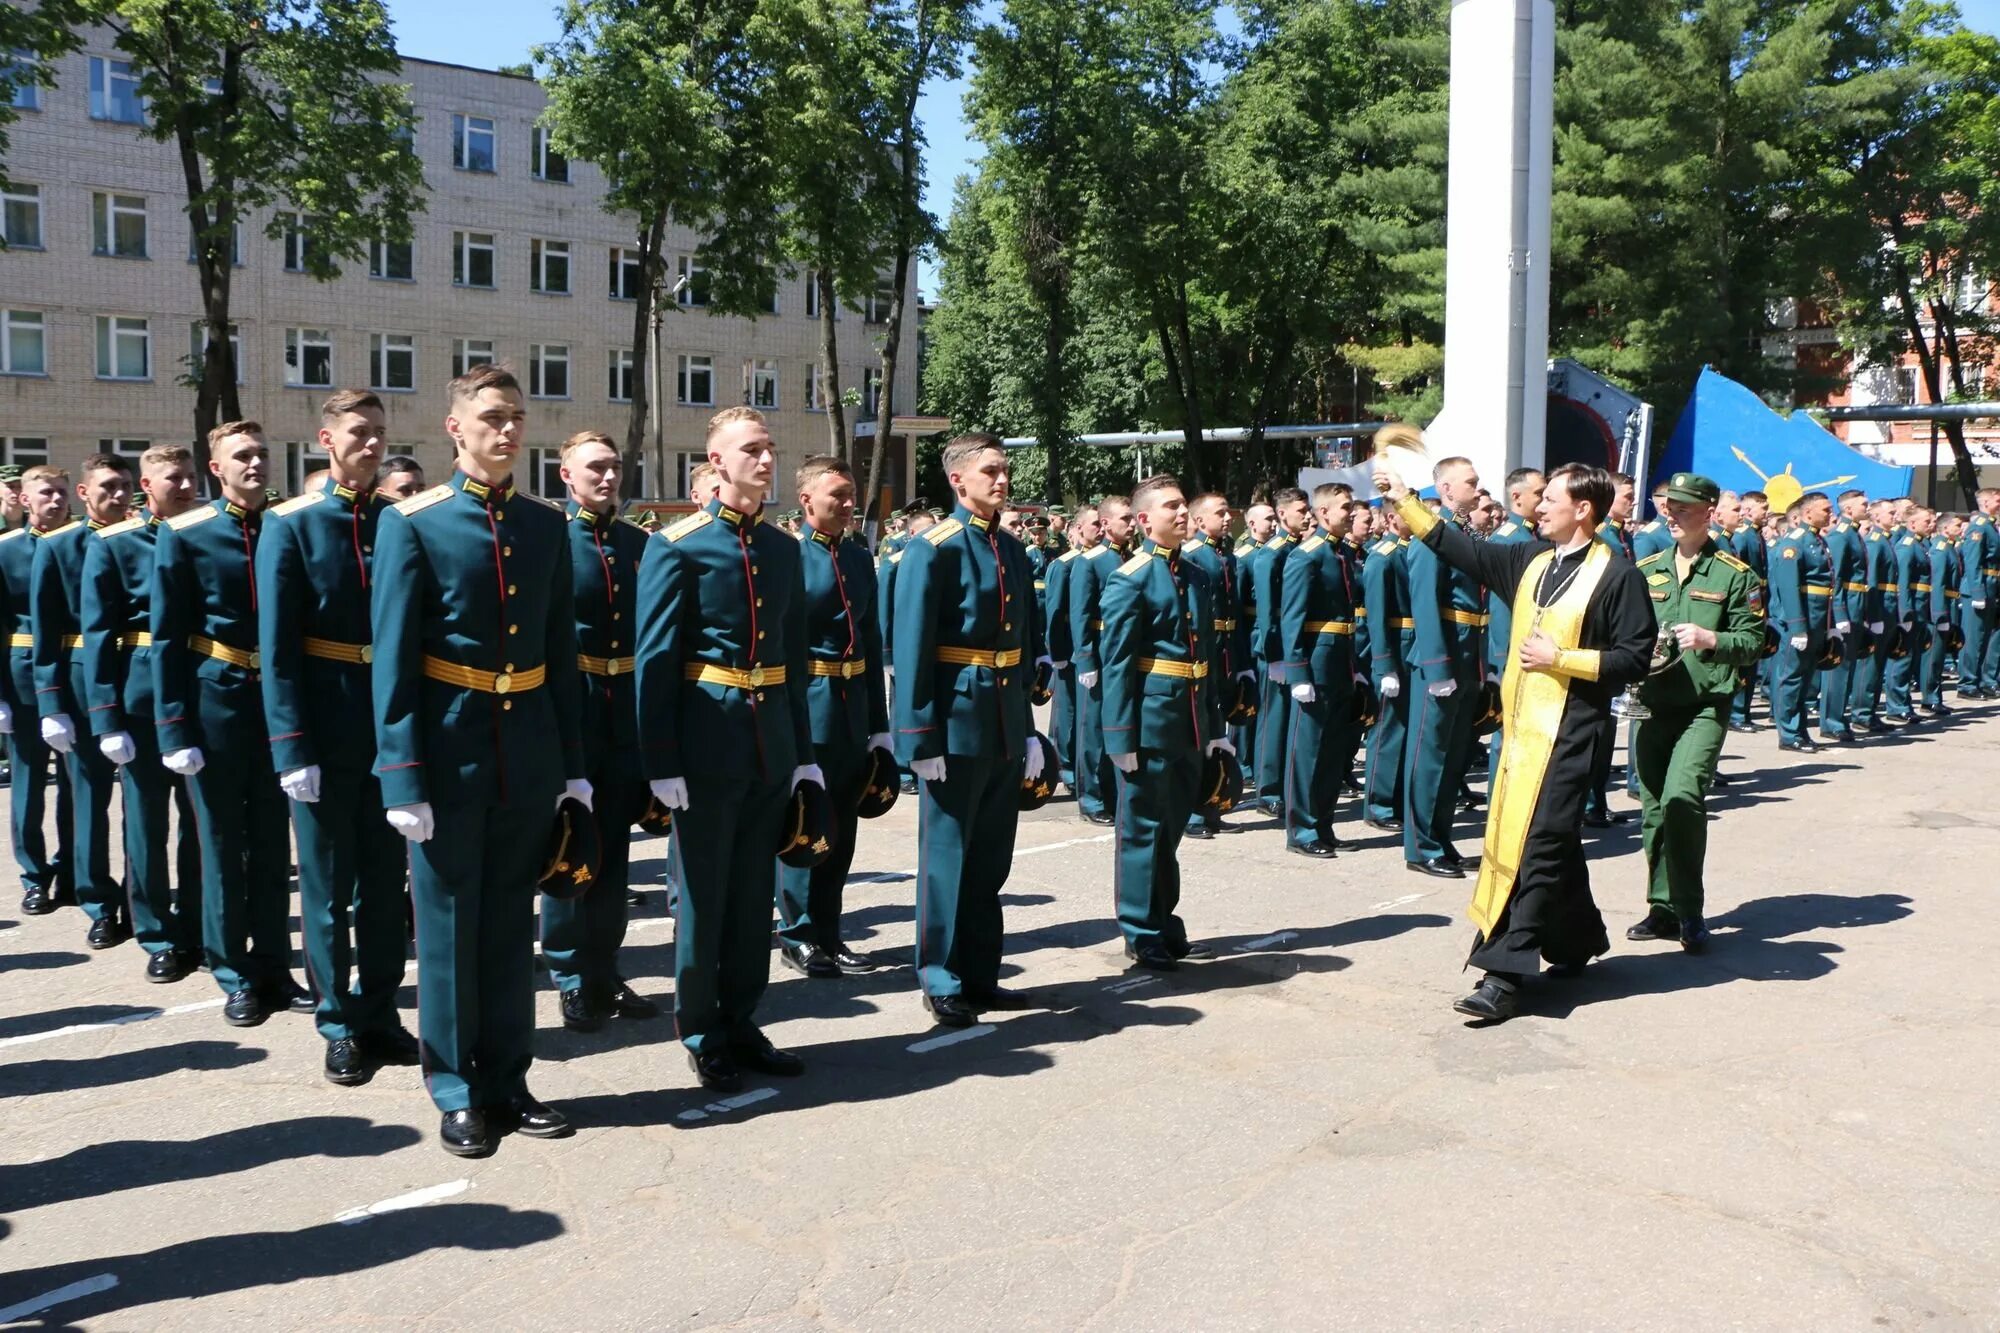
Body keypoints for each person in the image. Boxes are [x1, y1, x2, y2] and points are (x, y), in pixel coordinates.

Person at [371, 365, 587, 1156]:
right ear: (454, 426)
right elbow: (392, 658)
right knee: (450, 931)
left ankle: (508, 1076)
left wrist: (573, 768)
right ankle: (456, 1087)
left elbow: (559, 655)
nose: (509, 431)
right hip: (450, 753)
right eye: (492, 416)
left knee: (506, 929)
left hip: (526, 751)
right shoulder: (415, 522)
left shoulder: (542, 525)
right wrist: (402, 772)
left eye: (518, 418)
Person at [1374, 457, 1654, 1023]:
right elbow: (1463, 550)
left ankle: (1503, 972)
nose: (1540, 505)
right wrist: (1406, 501)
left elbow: (1636, 656)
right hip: (1522, 731)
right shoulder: (1531, 559)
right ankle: (1575, 942)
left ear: (1583, 510)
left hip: (1573, 734)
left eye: (1551, 499)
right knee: (1550, 843)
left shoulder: (1618, 575)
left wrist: (1563, 659)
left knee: (1540, 843)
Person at [638, 405, 818, 1091]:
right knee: (706, 899)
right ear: (717, 463)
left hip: (768, 739)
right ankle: (702, 1029)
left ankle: (743, 1019)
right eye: (751, 449)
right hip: (706, 743)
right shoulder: (678, 544)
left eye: (770, 447)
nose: (766, 460)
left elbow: (793, 659)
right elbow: (655, 658)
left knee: (751, 897)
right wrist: (661, 761)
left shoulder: (781, 549)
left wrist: (802, 754)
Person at [257, 391, 420, 1083]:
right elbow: (278, 647)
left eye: (381, 433)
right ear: (327, 438)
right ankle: (338, 1020)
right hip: (323, 726)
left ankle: (381, 1012)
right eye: (360, 432)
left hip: (387, 726)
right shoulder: (290, 525)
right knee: (326, 888)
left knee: (385, 885)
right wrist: (290, 745)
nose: (373, 444)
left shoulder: (398, 521)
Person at [153, 423, 312, 1026]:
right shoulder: (187, 534)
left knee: (274, 843)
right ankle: (233, 971)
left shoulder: (286, 525)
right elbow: (167, 639)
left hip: (274, 705)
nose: (256, 464)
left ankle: (274, 964)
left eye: (263, 454)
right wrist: (173, 729)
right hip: (214, 700)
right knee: (220, 844)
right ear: (215, 469)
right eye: (242, 456)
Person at [892, 432, 1046, 1028]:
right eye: (990, 471)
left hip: (1003, 723)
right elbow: (913, 647)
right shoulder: (935, 548)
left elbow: (1020, 643)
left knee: (990, 861)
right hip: (954, 725)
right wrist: (919, 739)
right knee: (947, 858)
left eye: (1004, 470)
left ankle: (982, 974)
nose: (1002, 480)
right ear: (958, 480)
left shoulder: (1008, 547)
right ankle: (939, 976)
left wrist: (1029, 730)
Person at [533, 430, 661, 1031]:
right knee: (569, 844)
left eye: (613, 468)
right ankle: (567, 972)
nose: (607, 478)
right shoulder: (551, 539)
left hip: (625, 711)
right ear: (566, 475)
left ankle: (605, 967)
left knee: (613, 851)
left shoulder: (639, 544)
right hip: (574, 706)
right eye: (594, 469)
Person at [1622, 474, 1764, 955]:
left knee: (1683, 799)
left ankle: (1689, 911)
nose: (1672, 515)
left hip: (1703, 706)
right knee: (1654, 810)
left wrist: (1712, 640)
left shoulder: (1734, 574)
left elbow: (1754, 642)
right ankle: (1661, 907)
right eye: (1668, 507)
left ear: (1708, 512)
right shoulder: (1645, 569)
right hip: (1652, 704)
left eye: (1683, 508)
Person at [82, 445, 204, 980]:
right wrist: (106, 716)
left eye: (190, 477)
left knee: (202, 821)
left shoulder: (209, 533)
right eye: (172, 479)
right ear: (146, 488)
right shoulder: (116, 544)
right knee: (146, 821)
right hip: (142, 696)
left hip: (202, 692)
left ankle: (202, 924)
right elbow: (98, 633)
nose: (184, 487)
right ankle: (156, 931)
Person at [1100, 474, 1227, 969]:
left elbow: (1208, 656)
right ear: (1144, 520)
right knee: (1142, 831)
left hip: (1189, 719)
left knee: (1170, 828)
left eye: (1183, 506)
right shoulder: (1129, 577)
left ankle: (1164, 920)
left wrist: (1215, 728)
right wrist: (1119, 734)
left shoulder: (1196, 574)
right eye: (1170, 507)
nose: (1181, 513)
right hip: (1150, 721)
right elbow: (1116, 663)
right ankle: (1140, 928)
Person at [777, 454, 890, 979]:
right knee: (806, 822)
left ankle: (829, 929)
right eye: (837, 496)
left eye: (850, 495)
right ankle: (797, 933)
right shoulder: (789, 557)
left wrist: (880, 726)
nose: (848, 504)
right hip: (811, 704)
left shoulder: (858, 558)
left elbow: (870, 639)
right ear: (806, 501)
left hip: (851, 709)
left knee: (841, 829)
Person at [31, 453, 134, 949]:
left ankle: (144, 896)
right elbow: (45, 631)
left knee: (144, 799)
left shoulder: (147, 539)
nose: (119, 495)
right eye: (108, 487)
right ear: (84, 494)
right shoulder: (59, 547)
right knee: (90, 797)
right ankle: (98, 900)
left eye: (126, 486)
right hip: (80, 684)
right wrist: (50, 702)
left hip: (137, 677)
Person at [1402, 457, 1488, 878]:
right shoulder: (1430, 537)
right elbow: (1424, 604)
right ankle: (1421, 847)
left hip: (1468, 655)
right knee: (1430, 755)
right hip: (1444, 659)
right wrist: (1437, 668)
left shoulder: (1464, 534)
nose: (1478, 486)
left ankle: (1442, 838)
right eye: (1470, 482)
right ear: (1448, 490)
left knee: (1453, 757)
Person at [3, 467, 75, 915]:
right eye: (46, 493)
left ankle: (71, 869)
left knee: (75, 785)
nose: (56, 500)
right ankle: (33, 875)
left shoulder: (80, 545)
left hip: (74, 672)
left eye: (62, 493)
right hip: (22, 678)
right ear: (25, 500)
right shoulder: (6, 551)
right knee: (28, 782)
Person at [1276, 482, 1362, 858]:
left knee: (1332, 751)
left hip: (1341, 661)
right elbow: (1291, 617)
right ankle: (1302, 829)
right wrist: (1297, 672)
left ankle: (1323, 824)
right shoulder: (1306, 556)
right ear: (1323, 512)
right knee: (1308, 751)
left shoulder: (1343, 554)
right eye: (1344, 507)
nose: (1351, 513)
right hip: (1316, 662)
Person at [1178, 492, 1252, 839]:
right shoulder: (1192, 556)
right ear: (1199, 519)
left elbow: (1233, 612)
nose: (1227, 519)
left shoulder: (1226, 556)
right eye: (1219, 513)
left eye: (1228, 513)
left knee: (1218, 733)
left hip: (1225, 650)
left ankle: (1212, 804)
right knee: (1201, 730)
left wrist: (1241, 661)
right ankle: (1193, 812)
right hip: (1205, 651)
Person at [1070, 495, 1135, 825]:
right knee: (1093, 729)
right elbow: (1079, 614)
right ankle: (1092, 798)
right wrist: (1084, 659)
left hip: (1127, 653)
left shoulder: (1135, 559)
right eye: (1125, 519)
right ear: (1106, 523)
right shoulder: (1091, 561)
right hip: (1100, 651)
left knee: (1120, 725)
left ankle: (1115, 794)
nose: (1133, 523)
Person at [1247, 488, 1310, 814]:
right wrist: (1274, 655)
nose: (1308, 515)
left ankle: (1285, 786)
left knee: (1291, 721)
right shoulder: (1272, 553)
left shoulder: (1299, 548)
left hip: (1295, 646)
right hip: (1276, 649)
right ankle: (1269, 791)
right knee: (1273, 721)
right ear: (1284, 515)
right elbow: (1268, 610)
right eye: (1301, 511)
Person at [1769, 492, 1836, 752]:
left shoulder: (1818, 540)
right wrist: (1797, 625)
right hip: (1801, 619)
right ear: (1808, 513)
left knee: (1806, 677)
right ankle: (1788, 733)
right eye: (1826, 510)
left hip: (1817, 618)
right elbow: (1788, 587)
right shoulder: (1794, 543)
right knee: (1792, 676)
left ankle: (1800, 729)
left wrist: (1829, 624)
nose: (1830, 514)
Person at [1361, 503, 1412, 833]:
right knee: (1388, 730)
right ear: (1392, 519)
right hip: (1395, 647)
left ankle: (1398, 799)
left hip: (1413, 647)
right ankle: (1378, 803)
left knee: (1406, 729)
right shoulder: (1383, 556)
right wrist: (1384, 665)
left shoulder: (1412, 550)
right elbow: (1376, 616)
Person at [1818, 489, 1869, 740]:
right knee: (1839, 667)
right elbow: (1835, 578)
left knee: (1848, 666)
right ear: (1848, 509)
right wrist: (1839, 613)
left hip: (1857, 603)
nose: (1866, 508)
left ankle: (1840, 717)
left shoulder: (1853, 533)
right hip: (1847, 604)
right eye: (1863, 504)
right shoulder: (1841, 536)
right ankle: (1831, 721)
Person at [1044, 508, 1086, 791]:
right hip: (1070, 645)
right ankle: (1065, 763)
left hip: (1094, 644)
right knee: (1068, 709)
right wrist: (1057, 653)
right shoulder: (1064, 565)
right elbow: (1056, 613)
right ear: (1076, 532)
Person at [1728, 490, 1771, 731]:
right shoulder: (1743, 537)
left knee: (1751, 660)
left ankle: (1742, 712)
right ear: (1748, 510)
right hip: (1747, 601)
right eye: (1762, 508)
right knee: (1743, 662)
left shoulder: (1755, 535)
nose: (1766, 513)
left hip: (1758, 599)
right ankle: (1737, 713)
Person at [1958, 488, 2000, 698]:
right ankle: (1967, 683)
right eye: (1997, 499)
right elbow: (1973, 561)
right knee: (1974, 639)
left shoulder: (1991, 526)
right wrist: (1977, 592)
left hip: (1992, 586)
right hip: (1980, 586)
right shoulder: (1979, 526)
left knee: (1987, 639)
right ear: (1985, 502)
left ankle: (1984, 680)